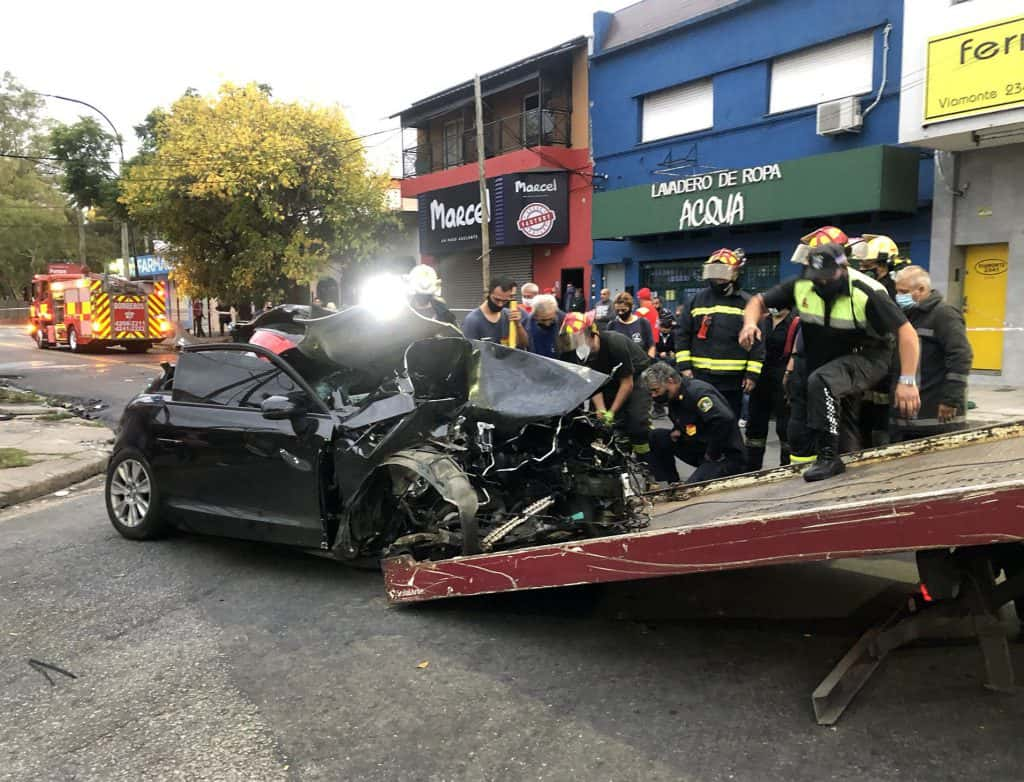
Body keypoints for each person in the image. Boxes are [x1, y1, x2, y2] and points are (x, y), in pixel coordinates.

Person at [740, 238, 921, 482]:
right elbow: (758, 302)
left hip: (869, 355)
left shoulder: (866, 291)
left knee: (822, 381)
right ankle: (844, 465)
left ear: (843, 269)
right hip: (828, 359)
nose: (822, 282)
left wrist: (907, 381)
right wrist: (750, 324)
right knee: (826, 412)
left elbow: (907, 333)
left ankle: (828, 458)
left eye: (827, 276)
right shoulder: (802, 284)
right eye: (818, 277)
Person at [674, 248, 764, 417]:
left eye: (722, 272)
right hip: (699, 377)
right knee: (699, 420)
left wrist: (752, 374)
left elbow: (758, 343)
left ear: (735, 274)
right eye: (713, 271)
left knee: (729, 420)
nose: (717, 277)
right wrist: (685, 367)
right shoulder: (696, 300)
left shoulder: (747, 303)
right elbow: (682, 335)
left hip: (733, 381)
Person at [892, 265, 973, 440]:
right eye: (897, 291)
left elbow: (961, 356)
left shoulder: (944, 315)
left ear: (921, 290)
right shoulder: (902, 316)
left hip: (936, 418)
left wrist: (951, 400)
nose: (899, 296)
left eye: (903, 291)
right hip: (905, 419)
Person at [558, 312, 651, 459]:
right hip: (607, 380)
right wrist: (601, 411)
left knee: (637, 423)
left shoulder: (614, 343)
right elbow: (593, 383)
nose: (574, 344)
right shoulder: (579, 354)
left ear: (592, 334)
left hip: (636, 377)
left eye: (577, 339)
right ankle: (615, 464)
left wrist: (612, 412)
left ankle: (647, 464)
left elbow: (627, 383)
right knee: (598, 425)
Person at [848, 233, 909, 446]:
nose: (864, 269)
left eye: (869, 265)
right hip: (871, 362)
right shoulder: (873, 288)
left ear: (884, 265)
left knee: (882, 418)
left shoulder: (890, 292)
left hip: (887, 363)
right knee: (866, 413)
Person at [642, 361, 747, 484]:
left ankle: (699, 477)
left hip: (724, 455)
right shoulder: (673, 395)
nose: (654, 395)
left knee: (690, 490)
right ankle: (672, 482)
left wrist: (713, 452)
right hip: (699, 447)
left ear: (670, 381)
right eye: (651, 392)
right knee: (657, 436)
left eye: (656, 390)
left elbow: (724, 419)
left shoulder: (697, 392)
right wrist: (678, 429)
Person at [744, 307, 799, 470]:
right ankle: (752, 468)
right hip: (760, 378)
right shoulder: (763, 321)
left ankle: (787, 465)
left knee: (785, 425)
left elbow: (797, 352)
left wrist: (789, 373)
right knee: (755, 424)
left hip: (783, 378)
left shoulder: (795, 322)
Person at [461, 275, 528, 348]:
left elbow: (523, 345)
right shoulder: (472, 321)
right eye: (497, 299)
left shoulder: (509, 315)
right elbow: (468, 352)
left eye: (504, 301)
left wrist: (518, 325)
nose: (500, 304)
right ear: (489, 294)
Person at [607, 292, 655, 358]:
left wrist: (649, 361)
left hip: (641, 364)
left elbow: (651, 346)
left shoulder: (643, 323)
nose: (620, 313)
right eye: (617, 310)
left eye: (623, 310)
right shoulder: (612, 325)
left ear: (631, 307)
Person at [523, 294, 563, 359]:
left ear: (555, 312)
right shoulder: (525, 324)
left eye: (551, 319)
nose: (547, 323)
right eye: (543, 320)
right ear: (535, 315)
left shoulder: (564, 321)